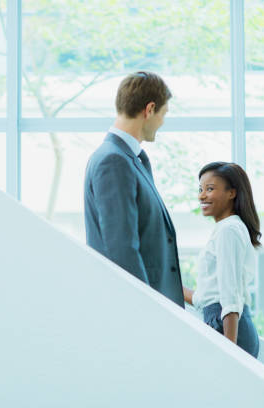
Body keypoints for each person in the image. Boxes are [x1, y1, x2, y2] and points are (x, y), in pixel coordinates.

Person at [84, 71, 184, 307]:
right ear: (149, 110)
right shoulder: (114, 161)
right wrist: (145, 308)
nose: (163, 122)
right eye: (163, 113)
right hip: (138, 310)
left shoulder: (129, 158)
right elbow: (122, 248)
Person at [182, 162, 261, 357]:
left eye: (210, 189)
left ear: (232, 193)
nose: (202, 196)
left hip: (228, 331)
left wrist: (229, 352)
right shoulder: (226, 229)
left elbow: (230, 296)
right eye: (200, 189)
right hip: (221, 324)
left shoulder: (228, 230)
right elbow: (207, 297)